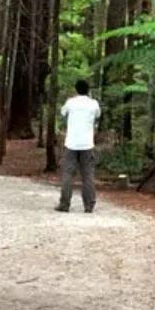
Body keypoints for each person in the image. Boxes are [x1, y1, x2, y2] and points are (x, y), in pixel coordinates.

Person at [55, 79, 101, 213]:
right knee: (87, 174)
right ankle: (89, 205)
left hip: (71, 143)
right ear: (88, 90)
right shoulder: (93, 104)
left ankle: (64, 203)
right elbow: (98, 114)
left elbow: (63, 112)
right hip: (87, 143)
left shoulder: (71, 102)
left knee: (68, 173)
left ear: (76, 89)